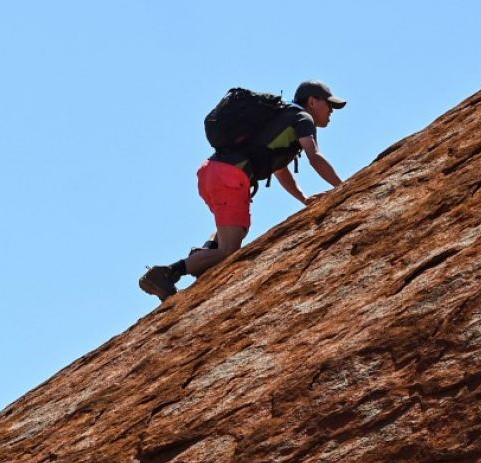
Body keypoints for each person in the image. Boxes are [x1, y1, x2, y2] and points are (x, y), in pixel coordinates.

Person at [140, 81, 347, 301]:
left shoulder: (282, 116)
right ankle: (168, 273)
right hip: (230, 177)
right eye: (329, 105)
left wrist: (303, 198)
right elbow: (314, 157)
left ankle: (204, 252)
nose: (331, 111)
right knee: (229, 250)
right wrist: (343, 187)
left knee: (232, 232)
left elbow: (279, 168)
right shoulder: (302, 119)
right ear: (313, 102)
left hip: (212, 172)